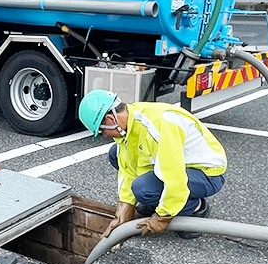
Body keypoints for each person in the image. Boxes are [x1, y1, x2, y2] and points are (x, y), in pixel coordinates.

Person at [78, 89, 227, 239]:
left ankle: (196, 208)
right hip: (182, 167)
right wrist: (124, 209)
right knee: (115, 153)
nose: (105, 135)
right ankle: (159, 199)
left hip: (208, 173)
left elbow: (175, 178)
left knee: (143, 189)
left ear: (111, 120)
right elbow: (128, 169)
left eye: (103, 131)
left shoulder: (159, 125)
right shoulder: (131, 123)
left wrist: (163, 216)